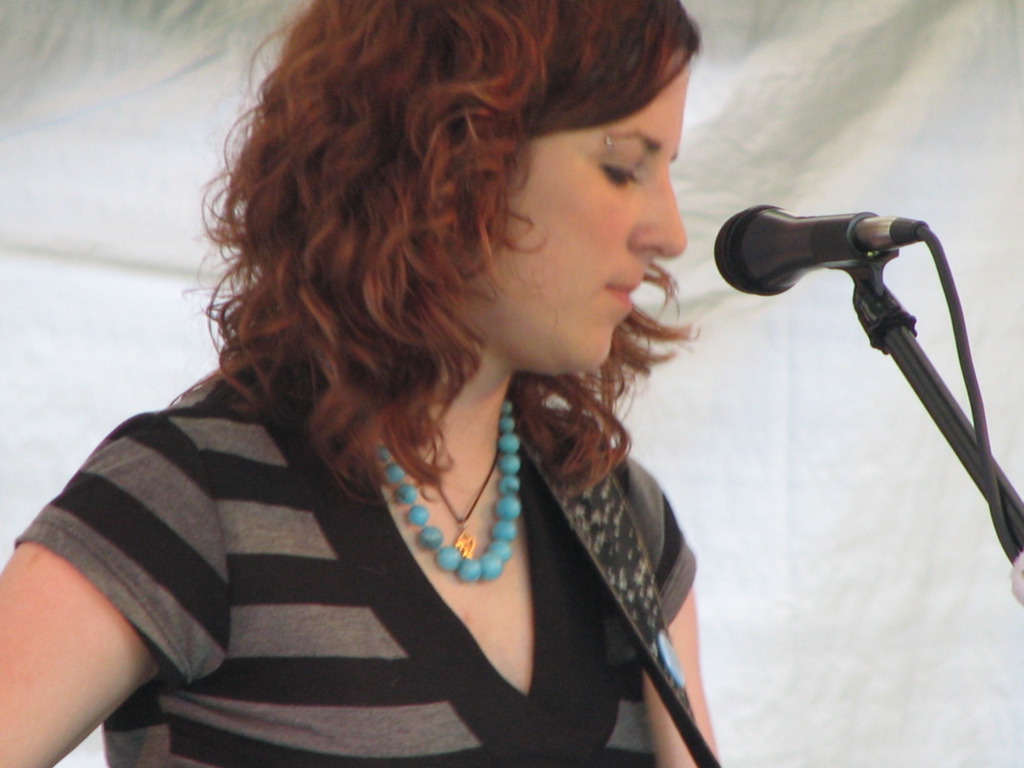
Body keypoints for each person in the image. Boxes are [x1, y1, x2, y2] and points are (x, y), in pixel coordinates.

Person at [0, 0, 716, 765]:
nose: (669, 231)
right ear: (452, 157)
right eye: (622, 167)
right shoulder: (190, 499)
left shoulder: (623, 528)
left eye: (667, 170)